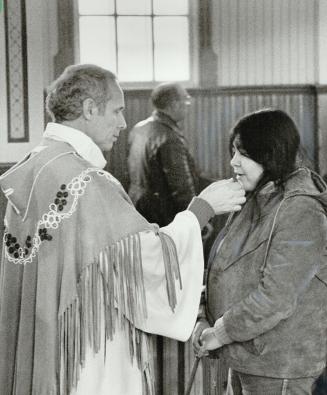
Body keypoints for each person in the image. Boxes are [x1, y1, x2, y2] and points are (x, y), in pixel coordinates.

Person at [0, 64, 246, 395]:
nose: (123, 123)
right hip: (85, 351)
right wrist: (201, 209)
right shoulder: (86, 181)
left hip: (40, 340)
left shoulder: (36, 164)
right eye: (117, 110)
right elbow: (144, 259)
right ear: (89, 109)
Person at [192, 109, 327, 395]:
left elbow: (276, 297)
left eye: (244, 154)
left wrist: (220, 332)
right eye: (233, 151)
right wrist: (204, 317)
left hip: (280, 365)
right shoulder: (255, 198)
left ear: (271, 155)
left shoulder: (301, 210)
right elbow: (222, 268)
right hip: (246, 356)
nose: (233, 162)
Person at [127, 82, 211, 227]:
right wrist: (197, 219)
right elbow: (182, 188)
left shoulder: (139, 129)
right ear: (174, 104)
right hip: (163, 216)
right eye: (186, 99)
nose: (188, 104)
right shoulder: (169, 137)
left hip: (137, 208)